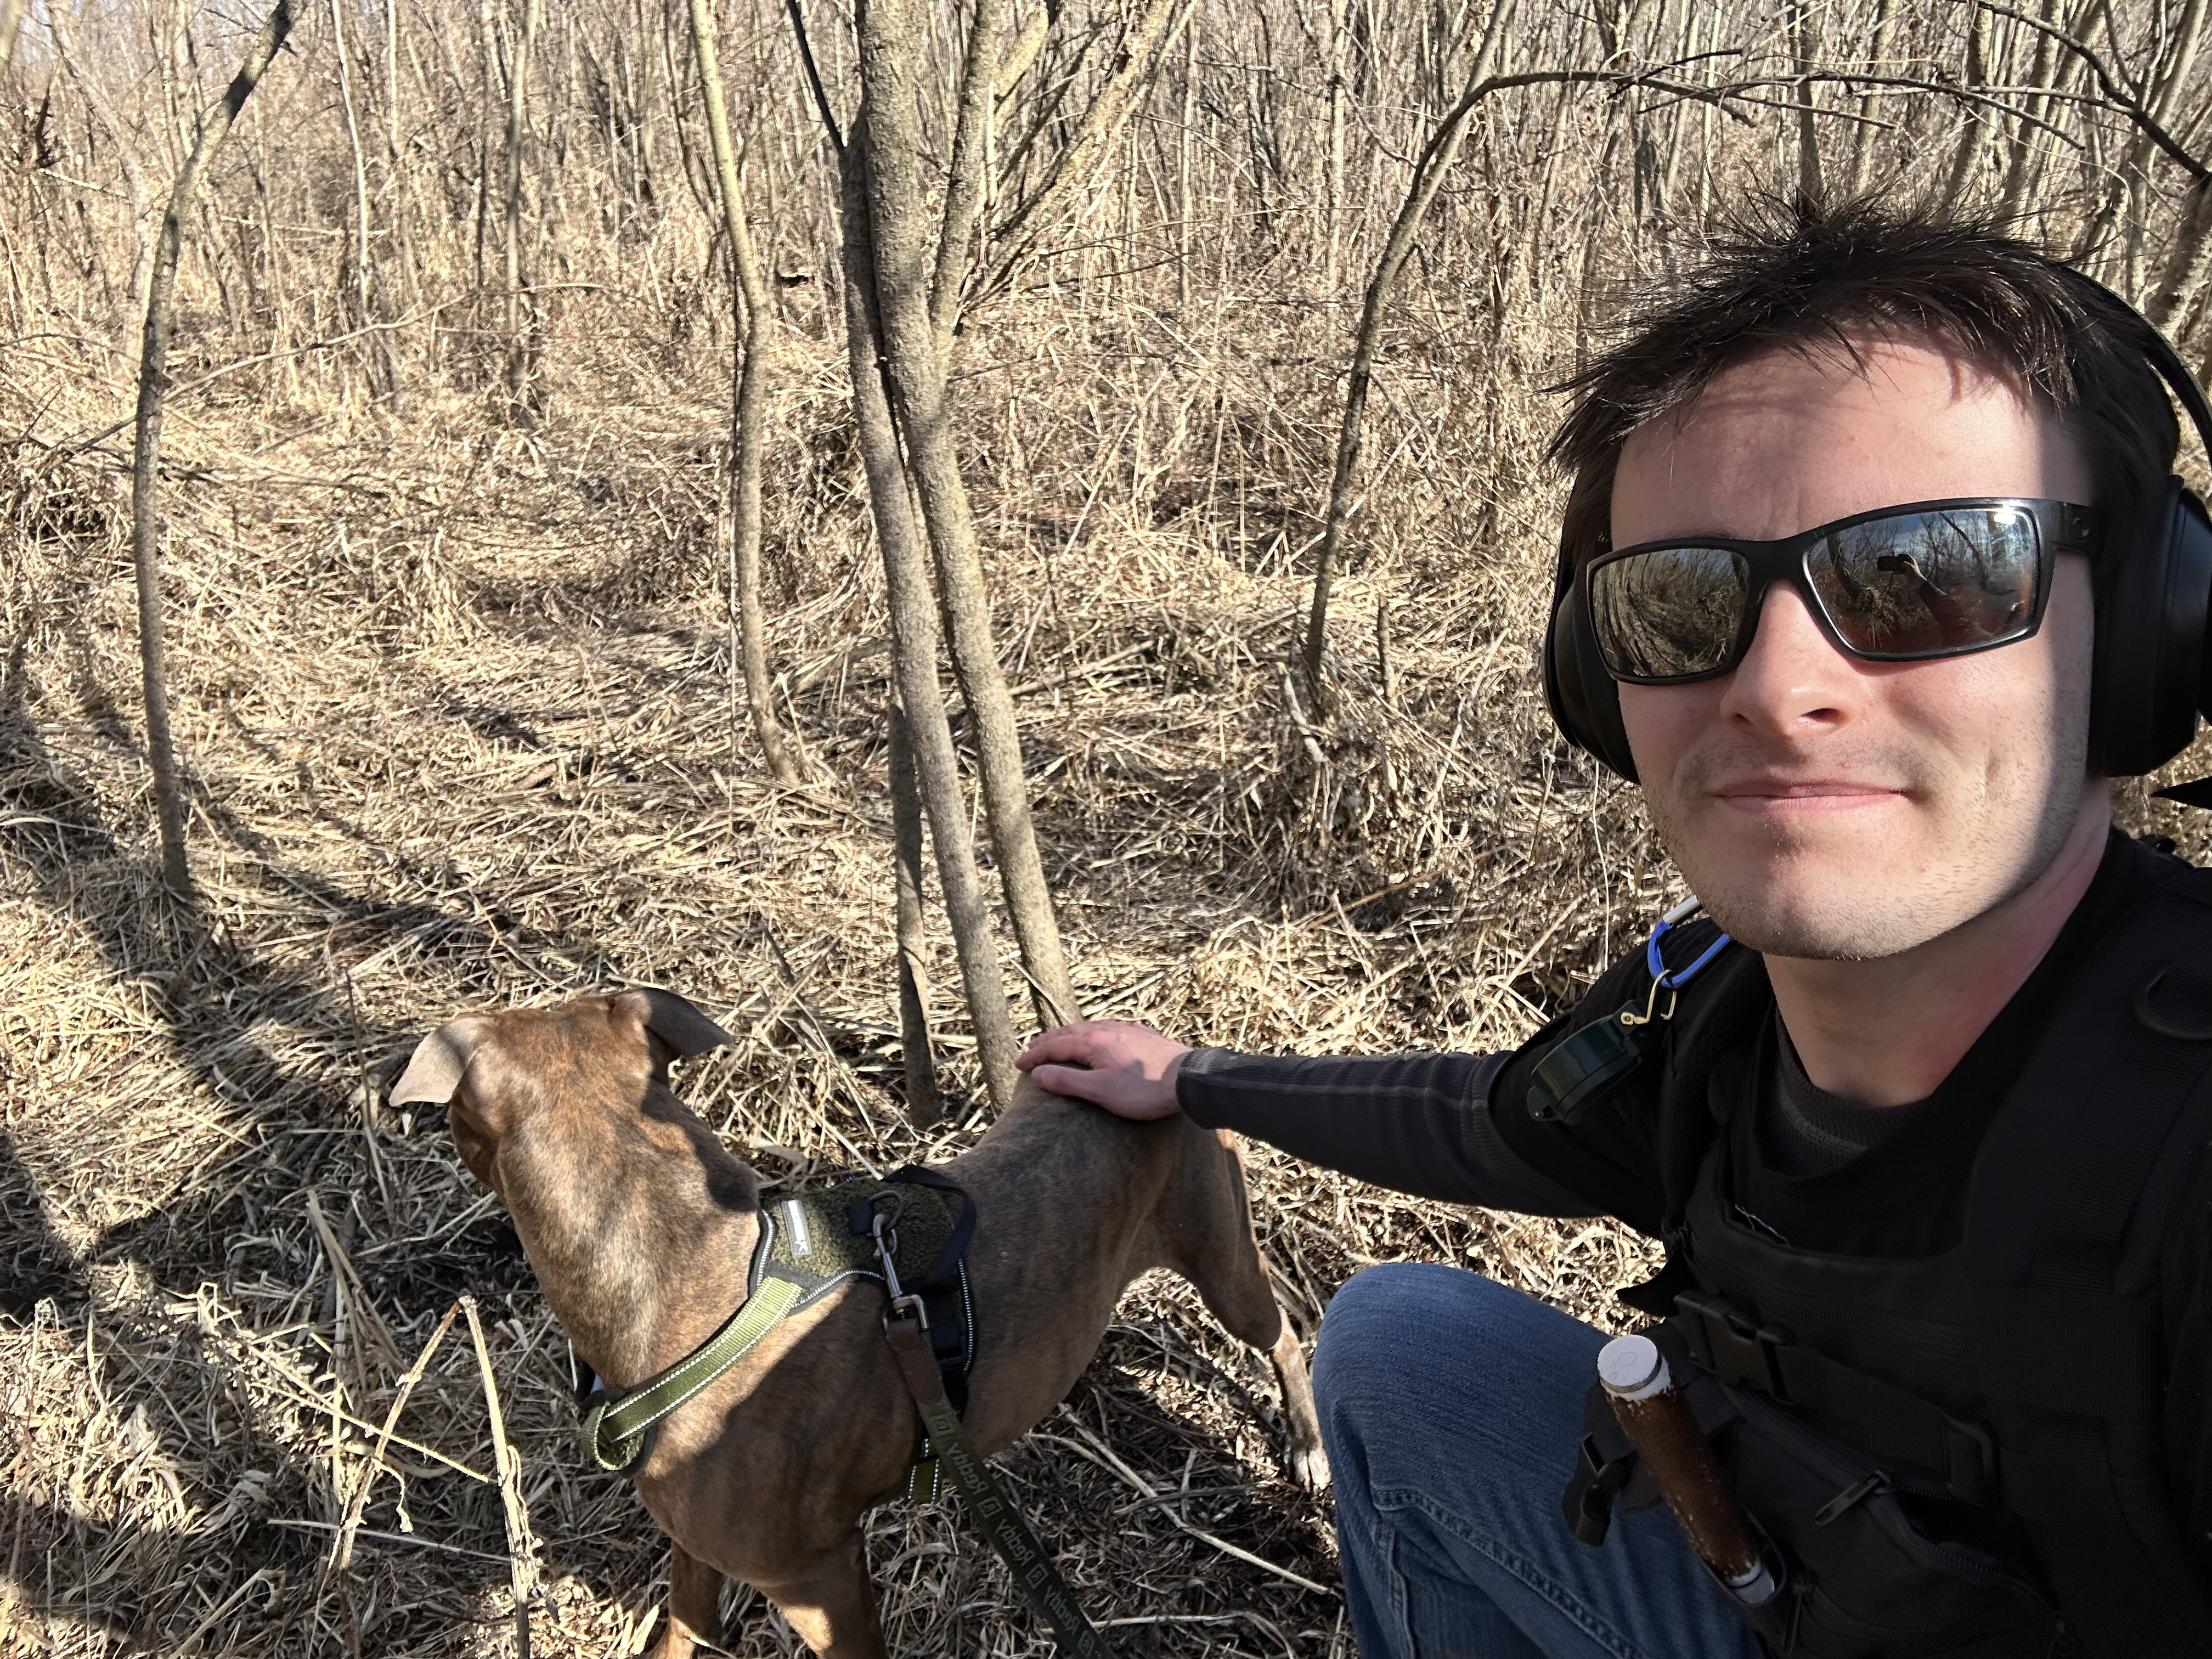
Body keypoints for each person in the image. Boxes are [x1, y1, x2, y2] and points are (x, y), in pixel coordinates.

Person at [1015, 199, 2212, 1659]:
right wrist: (1194, 1080)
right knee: (1397, 1346)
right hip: (1797, 1591)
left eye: (1925, 573)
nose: (1778, 686)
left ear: (2155, 631)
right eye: (1678, 603)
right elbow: (1492, 1121)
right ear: (1598, 681)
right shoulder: (1703, 1013)